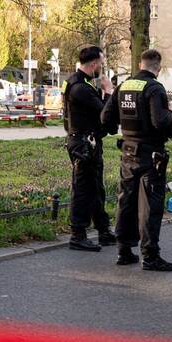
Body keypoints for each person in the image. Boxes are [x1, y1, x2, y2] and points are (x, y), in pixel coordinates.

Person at [101, 48, 172, 272]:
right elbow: (160, 122)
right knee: (149, 206)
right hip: (150, 154)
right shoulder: (154, 88)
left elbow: (106, 118)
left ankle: (124, 251)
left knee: (126, 201)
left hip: (127, 152)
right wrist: (171, 111)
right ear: (158, 67)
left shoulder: (124, 86)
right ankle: (150, 256)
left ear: (140, 64)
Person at [62, 45, 116, 252]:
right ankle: (78, 235)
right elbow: (105, 113)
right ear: (93, 64)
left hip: (85, 141)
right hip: (83, 144)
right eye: (100, 64)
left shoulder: (76, 82)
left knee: (95, 188)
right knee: (83, 189)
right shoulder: (81, 88)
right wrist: (108, 92)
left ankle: (103, 230)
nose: (101, 68)